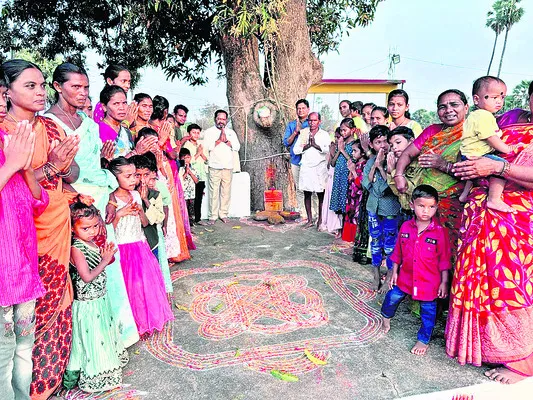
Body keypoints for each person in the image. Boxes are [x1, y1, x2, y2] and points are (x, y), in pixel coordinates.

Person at [0, 59, 81, 400]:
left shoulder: (48, 128)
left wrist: (58, 167)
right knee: (8, 346)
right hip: (15, 242)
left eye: (40, 85)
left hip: (41, 230)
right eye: (28, 86)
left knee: (26, 335)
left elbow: (56, 180)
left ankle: (42, 384)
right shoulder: (6, 132)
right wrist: (37, 167)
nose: (39, 92)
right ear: (8, 92)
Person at [44, 63, 140, 348]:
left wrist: (109, 198)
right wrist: (79, 200)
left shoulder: (88, 123)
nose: (82, 92)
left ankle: (116, 335)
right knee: (82, 268)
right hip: (74, 205)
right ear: (58, 87)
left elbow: (97, 165)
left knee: (109, 261)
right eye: (75, 86)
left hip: (100, 196)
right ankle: (88, 344)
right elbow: (55, 170)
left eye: (85, 87)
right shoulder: (49, 123)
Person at [446, 90, 533, 384]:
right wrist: (468, 165)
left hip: (518, 217)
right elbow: (474, 148)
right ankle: (484, 347)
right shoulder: (509, 118)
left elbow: (499, 161)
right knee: (483, 282)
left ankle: (521, 361)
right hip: (481, 211)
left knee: (513, 284)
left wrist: (499, 167)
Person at [0, 113, 48, 400]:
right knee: (4, 351)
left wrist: (26, 168)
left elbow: (37, 203)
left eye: (2, 94)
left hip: (22, 267)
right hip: (3, 274)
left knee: (23, 348)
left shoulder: (9, 142)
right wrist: (12, 166)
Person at [394, 89, 468, 264]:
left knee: (451, 249)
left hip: (456, 204)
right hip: (425, 204)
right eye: (442, 107)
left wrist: (444, 165)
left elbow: (476, 171)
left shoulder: (474, 133)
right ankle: (422, 284)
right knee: (423, 246)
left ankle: (447, 287)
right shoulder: (433, 131)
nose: (448, 110)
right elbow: (407, 154)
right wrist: (398, 174)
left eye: (454, 105)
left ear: (466, 107)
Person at [63, 203, 128, 393]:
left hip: (99, 299)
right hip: (88, 304)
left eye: (95, 226)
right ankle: (96, 374)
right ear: (73, 227)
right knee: (94, 340)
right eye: (85, 228)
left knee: (103, 335)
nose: (91, 232)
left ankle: (107, 367)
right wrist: (105, 261)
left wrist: (104, 255)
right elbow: (87, 277)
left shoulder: (91, 242)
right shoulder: (76, 248)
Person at [108, 157, 174, 336]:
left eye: (134, 176)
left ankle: (144, 322)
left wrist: (139, 212)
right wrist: (120, 213)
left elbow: (145, 223)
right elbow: (109, 229)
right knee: (126, 287)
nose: (133, 180)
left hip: (139, 246)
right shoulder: (111, 199)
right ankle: (129, 327)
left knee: (142, 286)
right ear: (115, 178)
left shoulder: (136, 195)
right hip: (122, 248)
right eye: (128, 176)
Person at [381, 185, 450, 355]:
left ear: (436, 206)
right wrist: (394, 272)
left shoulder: (440, 233)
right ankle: (385, 319)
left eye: (431, 207)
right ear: (412, 205)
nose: (426, 211)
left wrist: (444, 282)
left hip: (429, 283)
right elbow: (397, 252)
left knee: (428, 314)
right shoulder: (405, 227)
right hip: (405, 278)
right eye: (421, 206)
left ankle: (423, 339)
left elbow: (444, 261)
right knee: (392, 297)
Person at [459, 76, 517, 213]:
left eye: (502, 98)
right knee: (501, 167)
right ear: (477, 99)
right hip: (477, 155)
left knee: (471, 175)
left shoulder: (477, 115)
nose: (499, 101)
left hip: (467, 155)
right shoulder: (483, 116)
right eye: (493, 97)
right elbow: (490, 137)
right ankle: (494, 199)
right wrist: (507, 149)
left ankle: (463, 195)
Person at [362, 125, 401, 292]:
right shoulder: (370, 161)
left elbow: (389, 186)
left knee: (391, 244)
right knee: (375, 241)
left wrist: (380, 167)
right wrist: (374, 165)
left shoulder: (395, 160)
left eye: (386, 141)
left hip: (391, 208)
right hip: (373, 207)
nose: (383, 145)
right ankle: (376, 274)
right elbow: (366, 183)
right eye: (378, 142)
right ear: (371, 144)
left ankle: (390, 275)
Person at [293, 112, 331, 228]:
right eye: (310, 120)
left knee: (320, 195)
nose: (312, 123)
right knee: (307, 194)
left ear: (319, 121)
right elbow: (295, 150)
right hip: (306, 167)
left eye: (314, 120)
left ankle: (320, 220)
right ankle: (309, 220)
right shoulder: (304, 133)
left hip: (320, 167)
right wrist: (306, 146)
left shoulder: (324, 134)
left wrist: (316, 145)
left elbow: (329, 149)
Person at [203, 109, 241, 224]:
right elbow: (206, 147)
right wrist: (219, 140)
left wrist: (227, 141)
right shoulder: (209, 132)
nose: (221, 121)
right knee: (213, 192)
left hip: (228, 166)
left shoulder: (231, 132)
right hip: (214, 166)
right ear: (215, 119)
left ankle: (223, 214)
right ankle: (212, 216)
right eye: (219, 119)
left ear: (226, 120)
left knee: (226, 192)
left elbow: (237, 147)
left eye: (223, 119)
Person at [132, 155, 165, 257]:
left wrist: (146, 200)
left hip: (151, 242)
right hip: (133, 243)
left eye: (146, 175)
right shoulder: (126, 194)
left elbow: (158, 218)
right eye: (138, 175)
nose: (142, 180)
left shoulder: (154, 194)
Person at [283, 99, 310, 212]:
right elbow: (286, 142)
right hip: (295, 160)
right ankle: (302, 212)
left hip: (310, 161)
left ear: (308, 109)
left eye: (303, 108)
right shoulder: (292, 124)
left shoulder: (312, 122)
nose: (301, 110)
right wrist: (295, 132)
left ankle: (314, 213)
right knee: (299, 187)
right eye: (299, 108)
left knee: (311, 187)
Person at [386, 126, 420, 212]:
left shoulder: (419, 162)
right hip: (404, 210)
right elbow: (397, 192)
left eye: (398, 142)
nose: (394, 147)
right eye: (391, 145)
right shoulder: (398, 164)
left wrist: (394, 172)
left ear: (412, 141)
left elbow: (414, 191)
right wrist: (390, 172)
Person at [329, 118, 356, 214]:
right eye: (341, 130)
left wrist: (343, 150)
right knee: (339, 207)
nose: (342, 133)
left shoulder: (355, 145)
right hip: (338, 177)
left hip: (346, 177)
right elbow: (332, 163)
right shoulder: (341, 144)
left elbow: (353, 161)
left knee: (347, 203)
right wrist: (339, 149)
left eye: (345, 130)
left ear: (352, 130)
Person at [182, 123, 208, 224]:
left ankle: (198, 219)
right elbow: (188, 161)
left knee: (199, 198)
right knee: (190, 199)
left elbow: (207, 160)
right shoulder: (187, 145)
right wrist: (198, 153)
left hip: (201, 175)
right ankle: (189, 220)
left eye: (198, 133)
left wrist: (201, 153)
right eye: (194, 132)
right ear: (189, 133)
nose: (196, 135)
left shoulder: (200, 145)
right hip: (191, 176)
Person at [319, 127, 343, 235]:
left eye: (338, 137)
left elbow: (334, 163)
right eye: (335, 137)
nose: (337, 139)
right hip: (331, 179)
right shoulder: (334, 148)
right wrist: (331, 153)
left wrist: (335, 153)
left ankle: (337, 226)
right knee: (328, 201)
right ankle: (329, 223)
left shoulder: (343, 149)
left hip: (338, 179)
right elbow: (329, 165)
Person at [342, 140, 365, 242]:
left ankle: (355, 240)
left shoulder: (365, 165)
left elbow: (361, 184)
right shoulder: (355, 164)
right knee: (350, 216)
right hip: (352, 196)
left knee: (356, 218)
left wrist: (353, 171)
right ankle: (348, 239)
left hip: (359, 198)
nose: (352, 153)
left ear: (363, 152)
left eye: (355, 151)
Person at [179, 147, 199, 226]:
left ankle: (191, 225)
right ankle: (184, 225)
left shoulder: (194, 169)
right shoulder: (180, 169)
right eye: (184, 158)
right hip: (183, 194)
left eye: (187, 157)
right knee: (184, 210)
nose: (186, 160)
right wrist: (186, 173)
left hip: (191, 194)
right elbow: (180, 180)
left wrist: (190, 172)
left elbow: (197, 181)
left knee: (191, 210)